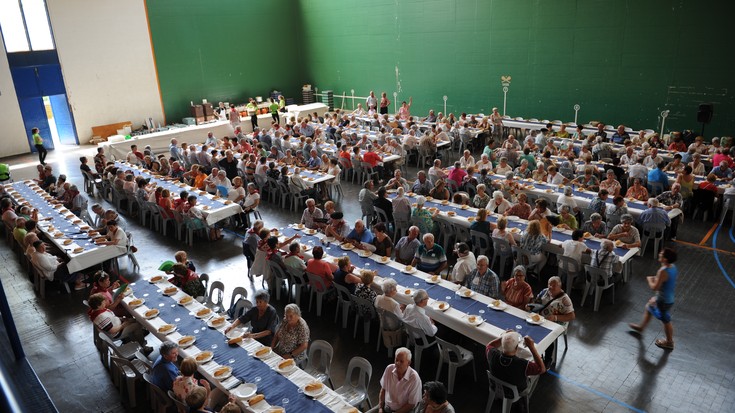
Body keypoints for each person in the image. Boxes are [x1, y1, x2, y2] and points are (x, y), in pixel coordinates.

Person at [629, 248, 678, 350]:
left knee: (666, 320)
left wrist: (649, 279)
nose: (659, 254)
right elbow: (665, 282)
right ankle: (641, 327)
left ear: (665, 259)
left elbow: (654, 287)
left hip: (663, 300)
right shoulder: (672, 267)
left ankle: (669, 342)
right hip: (668, 298)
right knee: (649, 307)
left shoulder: (662, 271)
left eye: (662, 254)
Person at [486, 331, 546, 413]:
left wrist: (504, 337)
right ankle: (524, 399)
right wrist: (531, 346)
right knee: (536, 375)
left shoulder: (492, 354)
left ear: (502, 345)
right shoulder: (523, 364)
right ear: (517, 347)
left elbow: (489, 345)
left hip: (496, 386)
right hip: (515, 392)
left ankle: (499, 396)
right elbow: (542, 369)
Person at [377, 347, 422, 413]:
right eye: (396, 360)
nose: (397, 363)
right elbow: (383, 389)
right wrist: (380, 408)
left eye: (401, 361)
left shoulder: (414, 378)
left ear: (408, 363)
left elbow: (411, 404)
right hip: (386, 407)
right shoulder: (389, 368)